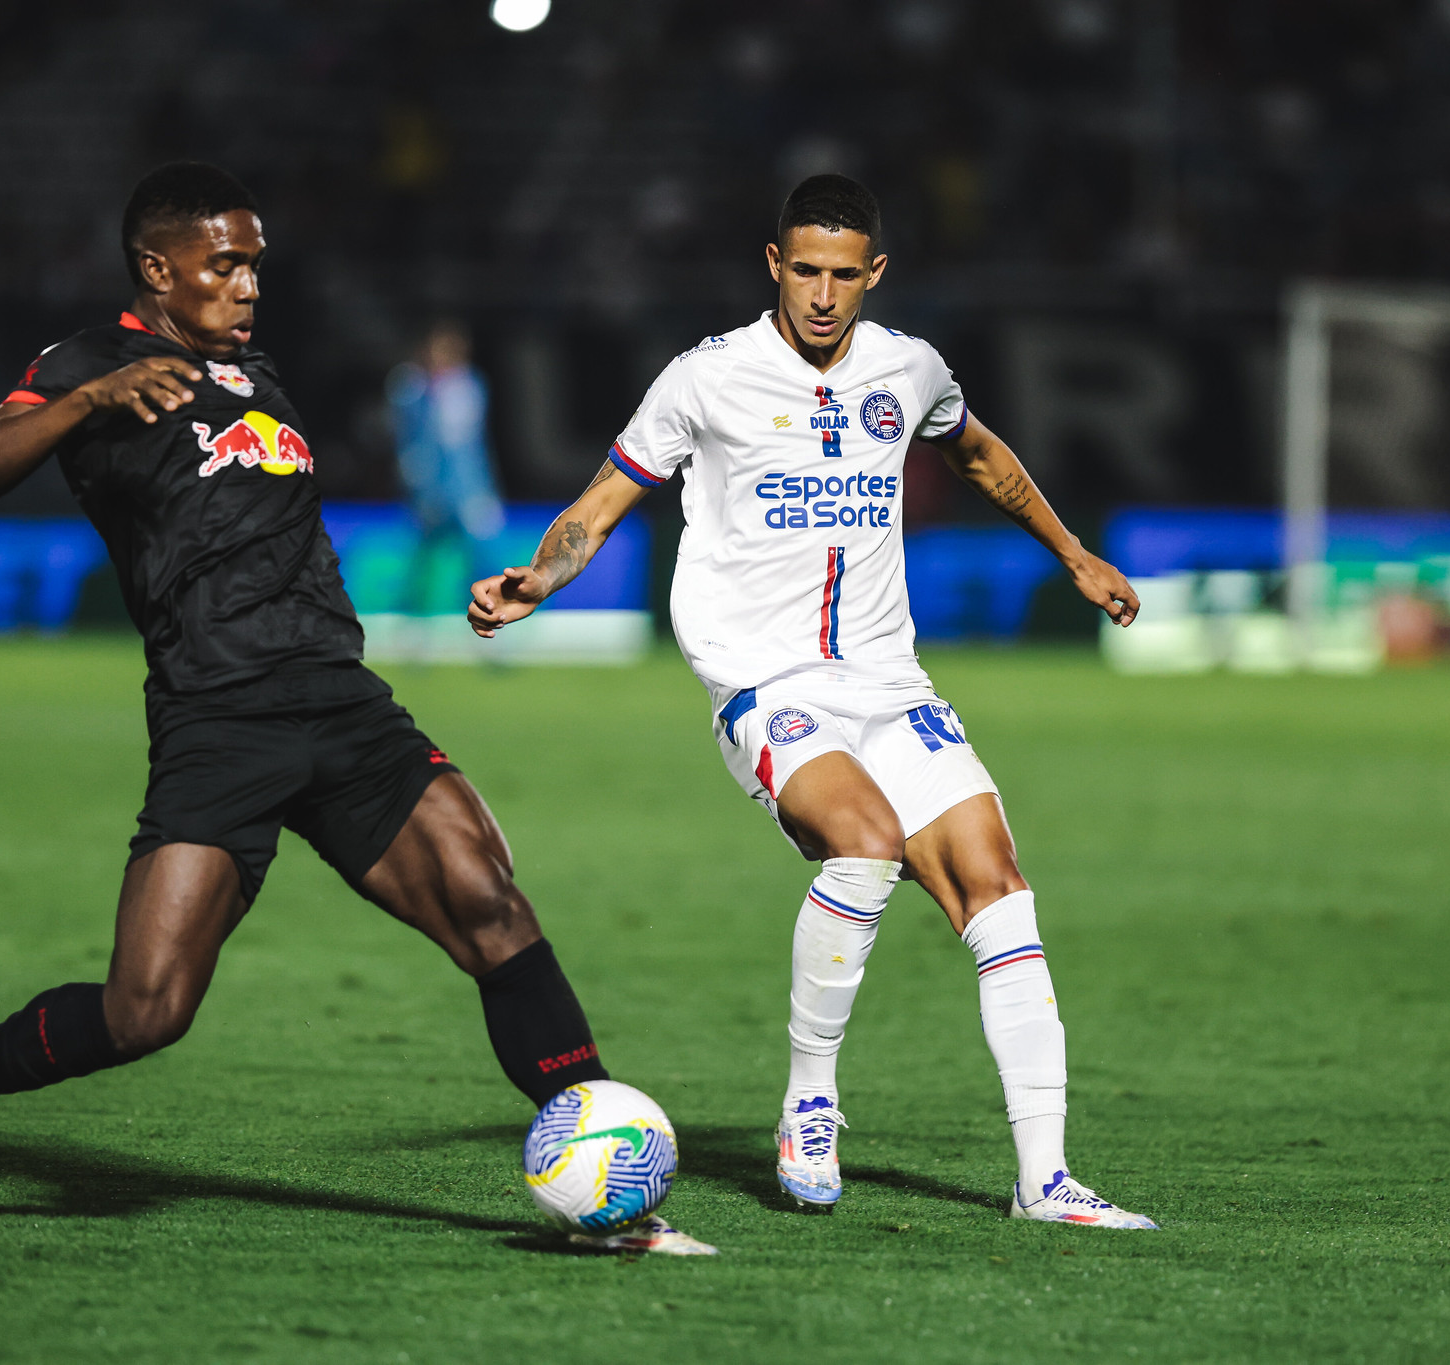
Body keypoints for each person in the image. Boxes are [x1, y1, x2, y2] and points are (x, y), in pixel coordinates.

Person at [0, 162, 710, 1255]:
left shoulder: (258, 376)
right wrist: (87, 401)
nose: (246, 286)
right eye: (223, 264)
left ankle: (610, 1182)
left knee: (491, 906)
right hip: (217, 717)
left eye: (255, 266)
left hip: (341, 705)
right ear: (157, 268)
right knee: (147, 1011)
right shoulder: (90, 365)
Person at [469, 174, 1157, 1229]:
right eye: (805, 271)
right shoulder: (707, 378)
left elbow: (975, 451)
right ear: (772, 265)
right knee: (864, 844)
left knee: (998, 888)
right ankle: (808, 1100)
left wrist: (1071, 553)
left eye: (845, 274)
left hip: (889, 681)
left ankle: (1044, 1179)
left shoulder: (907, 367)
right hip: (765, 682)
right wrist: (536, 578)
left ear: (874, 273)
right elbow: (601, 502)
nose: (823, 295)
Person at [386, 322, 506, 615]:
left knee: (481, 559)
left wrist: (485, 490)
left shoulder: (471, 385)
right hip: (430, 491)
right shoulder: (411, 387)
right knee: (424, 561)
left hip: (469, 489)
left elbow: (475, 445)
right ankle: (412, 627)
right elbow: (407, 441)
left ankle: (487, 623)